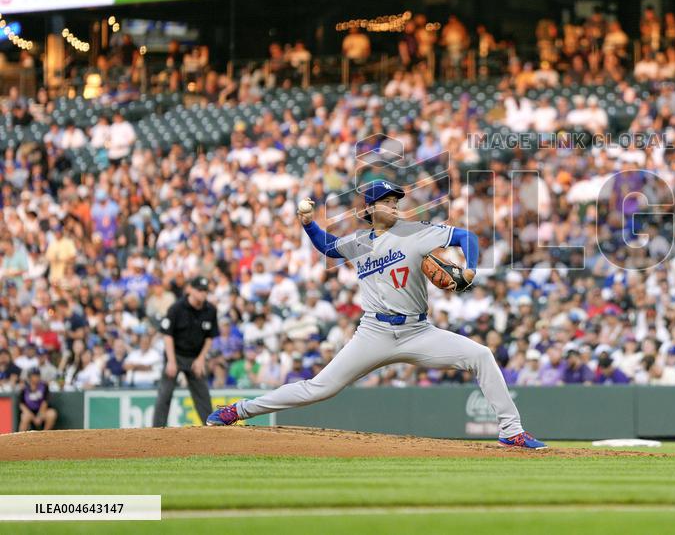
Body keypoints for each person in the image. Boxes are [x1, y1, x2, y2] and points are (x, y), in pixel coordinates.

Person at [207, 180, 546, 448]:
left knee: (481, 355)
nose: (394, 206)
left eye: (396, 201)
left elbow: (466, 236)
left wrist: (470, 268)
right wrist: (309, 224)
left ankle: (511, 431)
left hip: (418, 331)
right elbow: (327, 246)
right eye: (386, 202)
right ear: (369, 208)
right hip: (373, 333)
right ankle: (238, 410)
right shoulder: (359, 241)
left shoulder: (414, 233)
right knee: (318, 388)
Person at [152, 276, 219, 427]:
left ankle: (212, 428)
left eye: (205, 291)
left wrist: (201, 359)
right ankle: (156, 430)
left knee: (203, 395)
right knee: (165, 394)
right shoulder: (176, 308)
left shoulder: (210, 310)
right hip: (175, 354)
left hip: (195, 357)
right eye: (200, 290)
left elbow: (209, 337)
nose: (203, 294)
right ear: (191, 289)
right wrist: (171, 361)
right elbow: (167, 335)